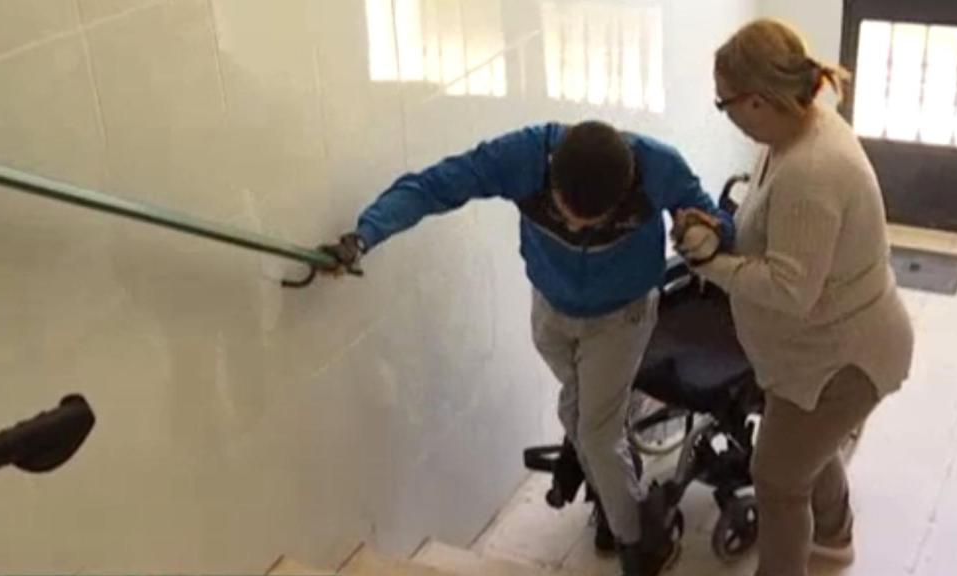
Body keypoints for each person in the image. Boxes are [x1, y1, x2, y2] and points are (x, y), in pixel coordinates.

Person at [323, 120, 734, 576]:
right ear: (552, 173)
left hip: (622, 317)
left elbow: (716, 221)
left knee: (595, 433)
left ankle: (641, 544)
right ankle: (613, 486)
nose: (577, 224)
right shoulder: (523, 157)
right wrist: (365, 234)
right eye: (567, 211)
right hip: (551, 310)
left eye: (593, 220)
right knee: (581, 419)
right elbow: (433, 186)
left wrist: (705, 231)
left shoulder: (658, 166)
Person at [673, 19, 915, 576]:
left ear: (756, 101)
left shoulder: (811, 170)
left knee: (779, 480)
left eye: (723, 103)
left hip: (841, 360)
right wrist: (723, 231)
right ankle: (834, 539)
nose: (725, 112)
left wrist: (712, 262)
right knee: (805, 448)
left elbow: (790, 289)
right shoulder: (797, 133)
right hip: (813, 355)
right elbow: (772, 234)